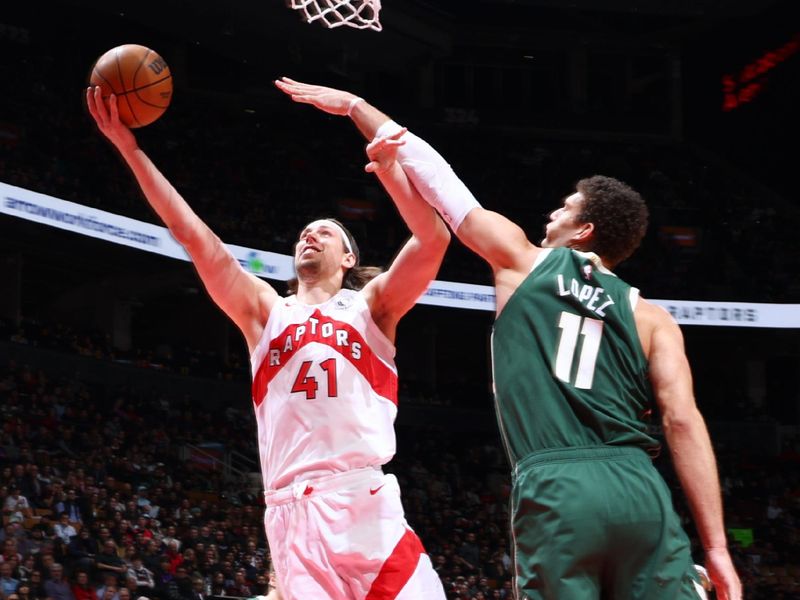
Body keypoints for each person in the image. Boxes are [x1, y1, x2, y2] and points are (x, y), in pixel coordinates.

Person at [274, 78, 743, 600]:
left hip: (559, 484)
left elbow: (442, 183)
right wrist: (718, 547)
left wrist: (357, 108)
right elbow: (682, 421)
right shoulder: (655, 319)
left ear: (584, 230)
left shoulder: (523, 262)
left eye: (565, 208)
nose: (552, 214)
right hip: (640, 486)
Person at [86, 85, 449, 600]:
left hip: (361, 500)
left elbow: (433, 240)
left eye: (325, 233)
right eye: (305, 232)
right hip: (288, 513)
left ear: (348, 259)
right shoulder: (263, 312)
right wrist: (130, 149)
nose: (310, 236)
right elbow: (193, 235)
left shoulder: (372, 307)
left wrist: (391, 171)